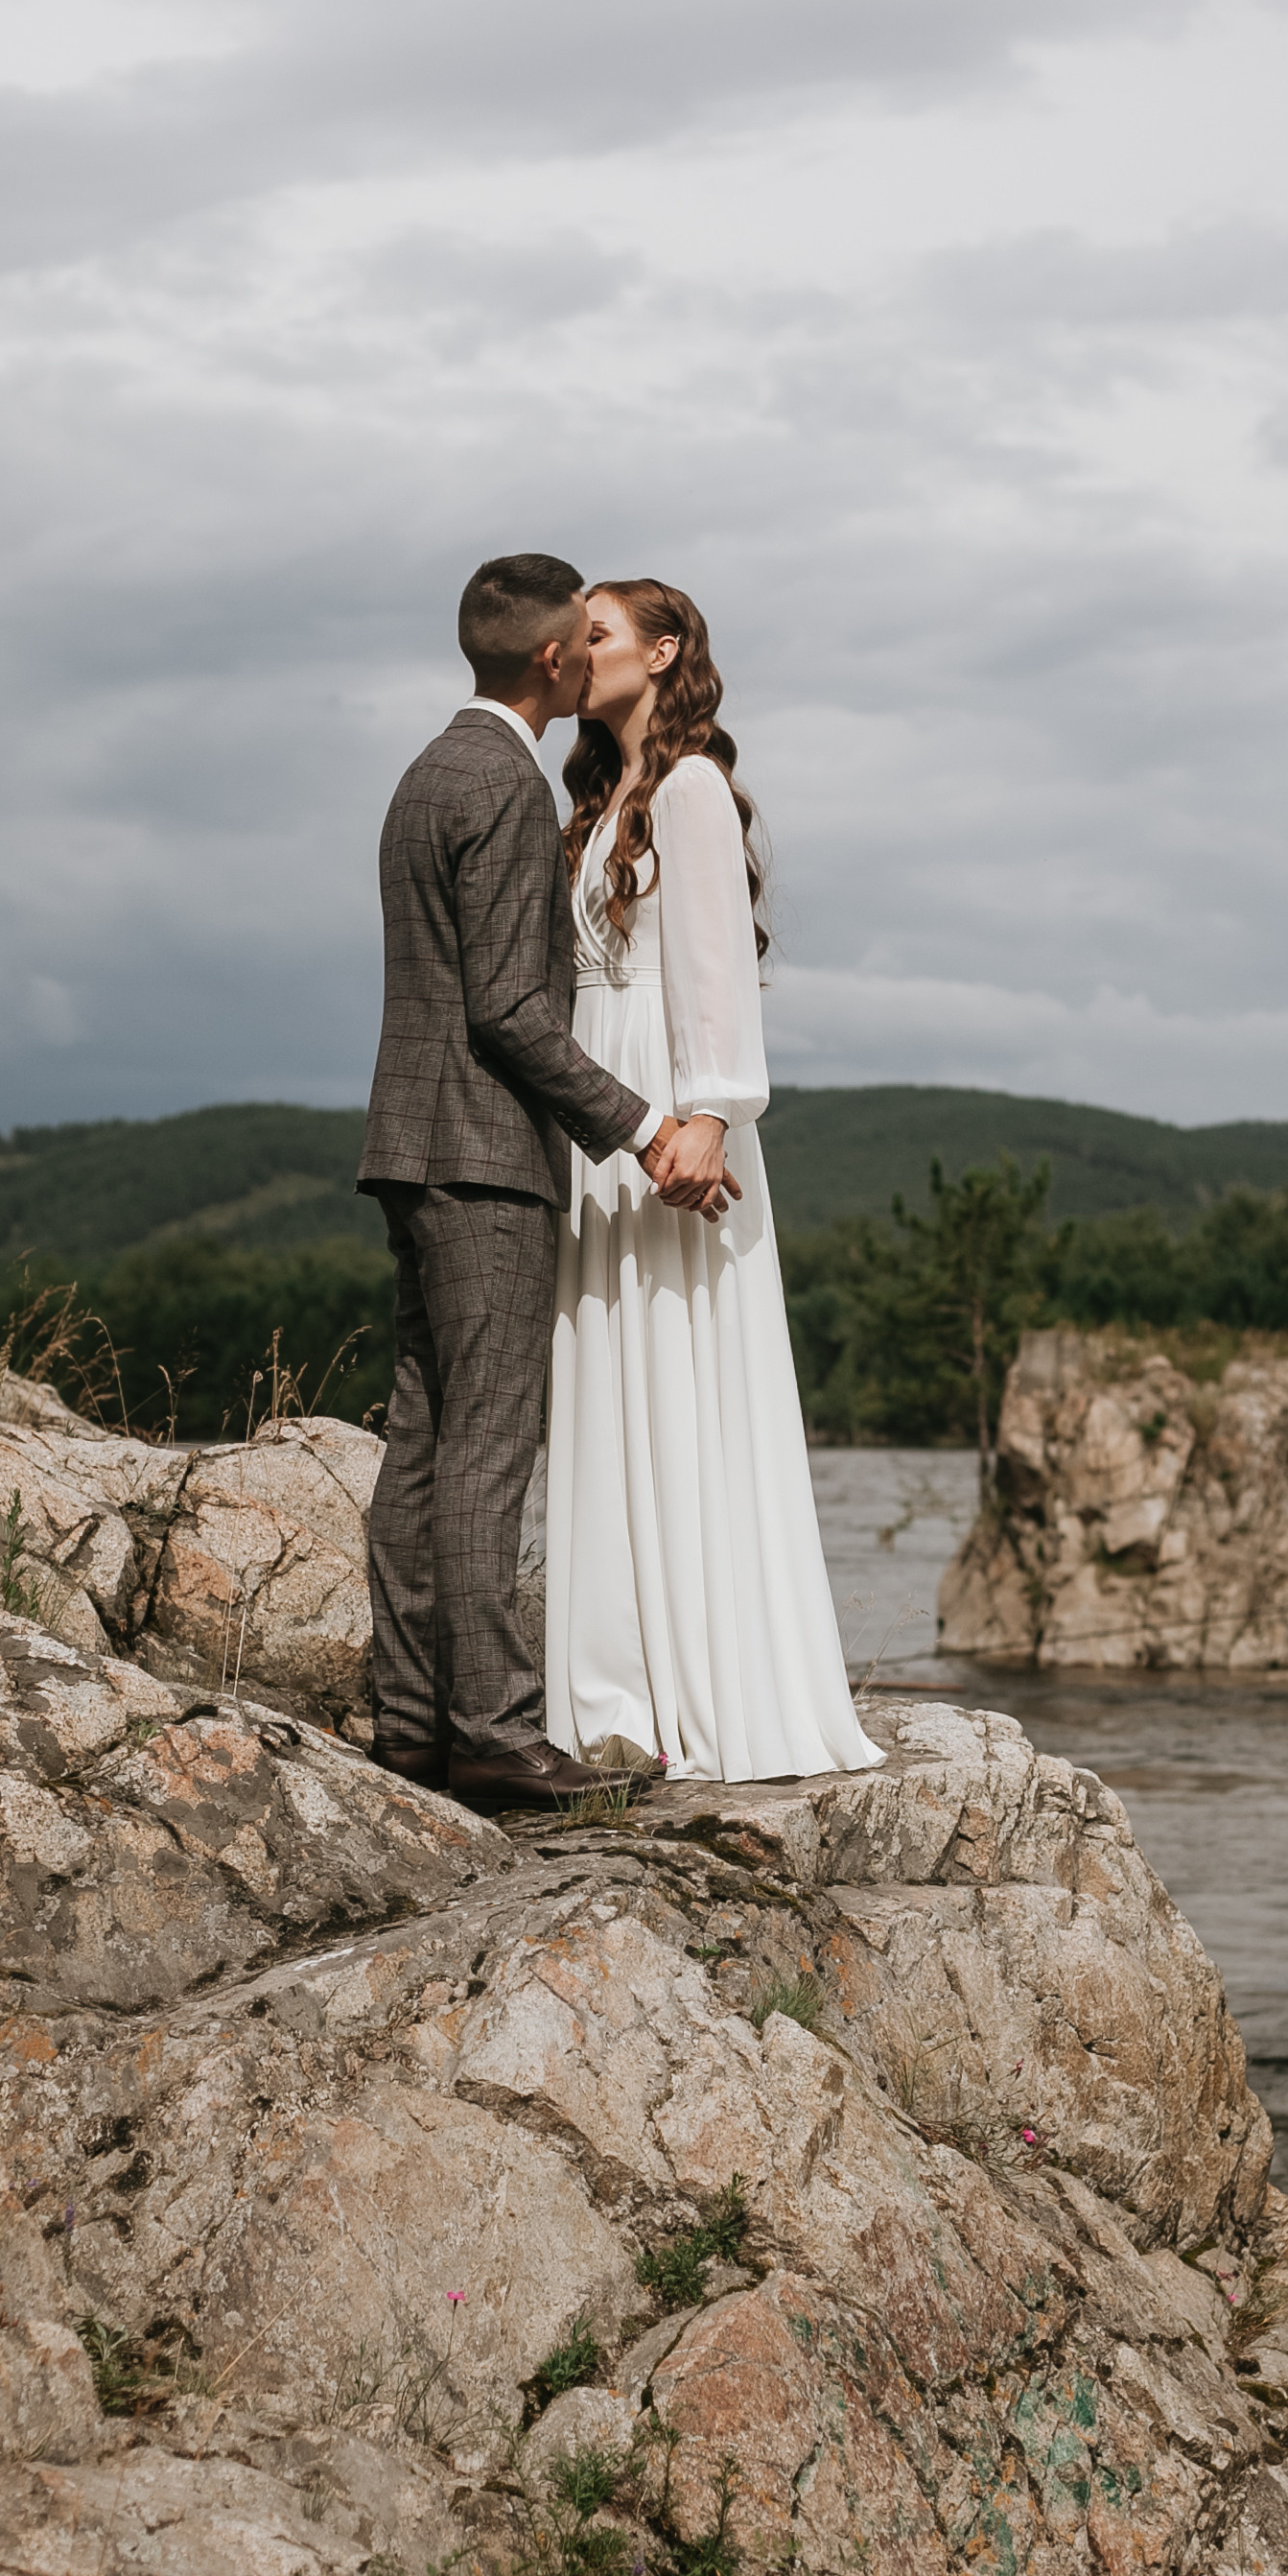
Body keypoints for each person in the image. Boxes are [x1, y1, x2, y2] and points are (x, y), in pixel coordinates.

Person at [358, 554, 731, 1808]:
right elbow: (512, 1013)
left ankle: (406, 1720)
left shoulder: (423, 774)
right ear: (554, 661)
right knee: (483, 1450)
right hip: (486, 1162)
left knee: (417, 1441)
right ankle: (498, 1735)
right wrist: (636, 1125)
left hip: (407, 1148)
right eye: (582, 636)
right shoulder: (509, 792)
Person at [547, 579, 880, 1783]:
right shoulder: (599, 798)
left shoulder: (685, 789)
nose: (574, 653)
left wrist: (708, 1113)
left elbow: (715, 967)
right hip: (602, 1098)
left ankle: (697, 1682)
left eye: (597, 635)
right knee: (613, 1371)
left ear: (665, 649)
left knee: (681, 1376)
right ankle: (612, 1684)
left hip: (666, 1101)